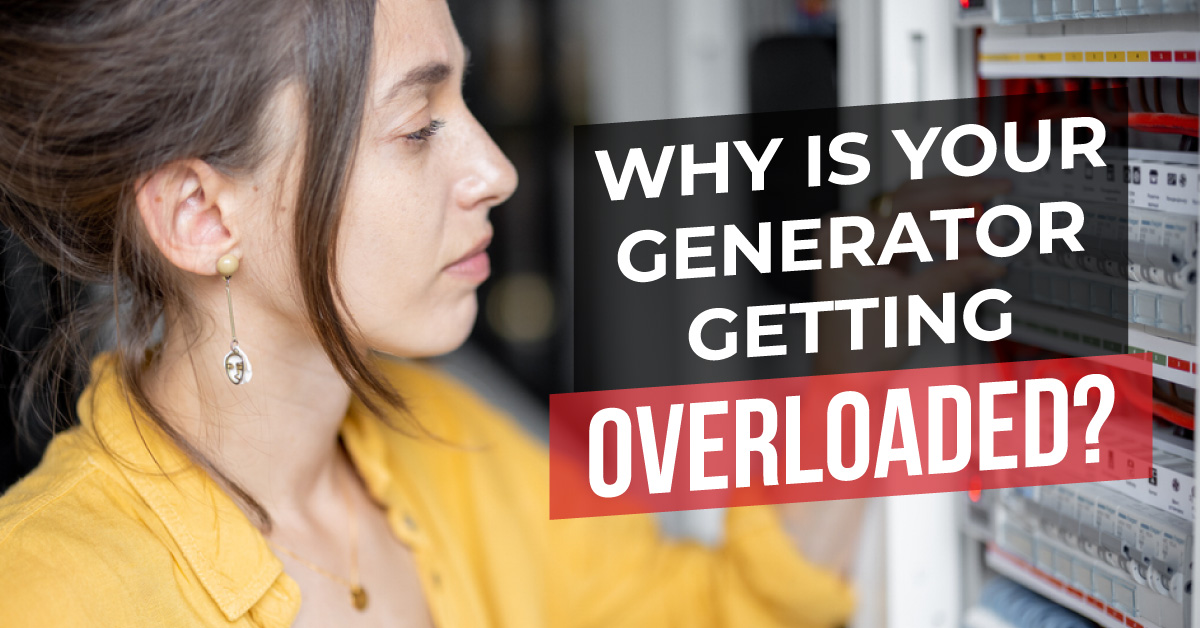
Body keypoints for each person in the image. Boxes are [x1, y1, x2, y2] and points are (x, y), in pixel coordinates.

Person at [0, 0, 866, 626]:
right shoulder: (42, 593)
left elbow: (714, 611)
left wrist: (849, 357)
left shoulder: (454, 446)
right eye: (419, 126)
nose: (496, 169)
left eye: (464, 102)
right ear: (202, 215)